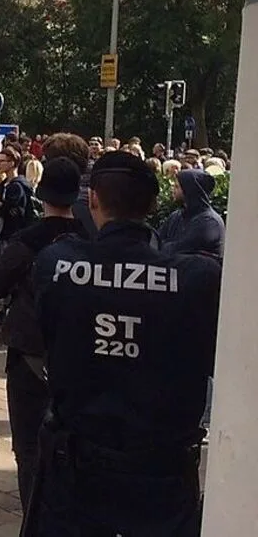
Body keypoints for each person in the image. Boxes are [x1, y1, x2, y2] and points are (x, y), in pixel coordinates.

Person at [26, 151, 220, 536]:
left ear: (93, 199)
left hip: (77, 472)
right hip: (161, 477)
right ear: (152, 204)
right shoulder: (198, 277)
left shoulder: (56, 263)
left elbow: (45, 334)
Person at [0, 158, 86, 511]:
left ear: (41, 195)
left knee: (28, 446)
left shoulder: (29, 239)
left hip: (30, 352)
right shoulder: (92, 239)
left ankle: (34, 515)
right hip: (80, 354)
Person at [157, 169, 225, 259]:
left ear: (189, 190)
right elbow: (155, 244)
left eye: (177, 187)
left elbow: (179, 250)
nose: (172, 189)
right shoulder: (176, 216)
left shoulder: (210, 222)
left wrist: (164, 246)